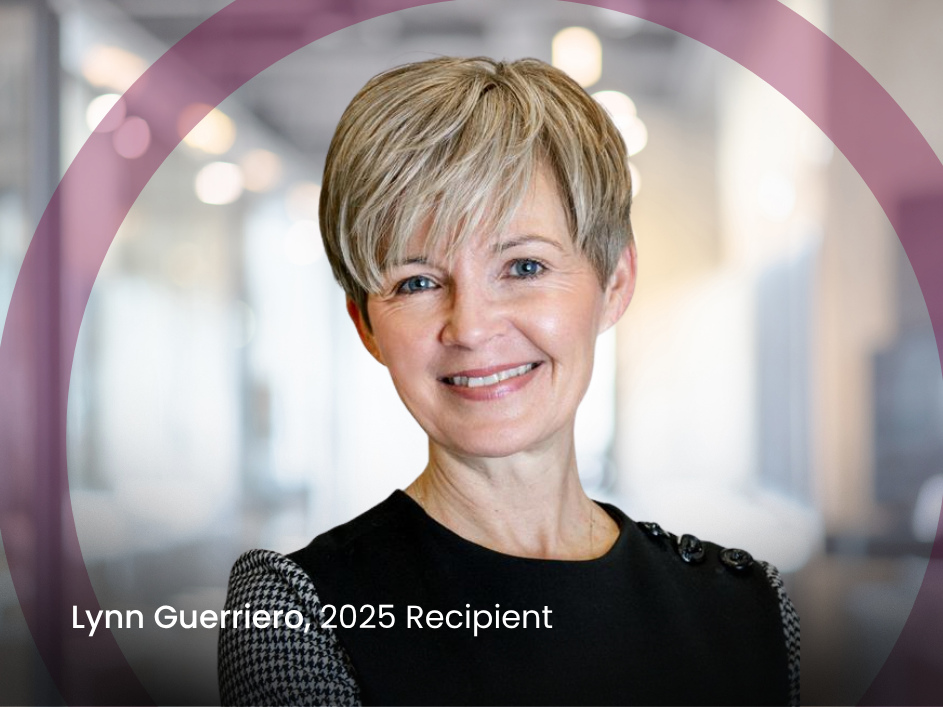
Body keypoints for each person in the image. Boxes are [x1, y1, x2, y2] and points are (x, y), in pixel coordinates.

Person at [218, 56, 799, 706]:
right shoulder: (299, 609)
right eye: (415, 282)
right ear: (366, 325)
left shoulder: (748, 605)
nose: (469, 326)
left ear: (614, 284)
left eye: (523, 266)